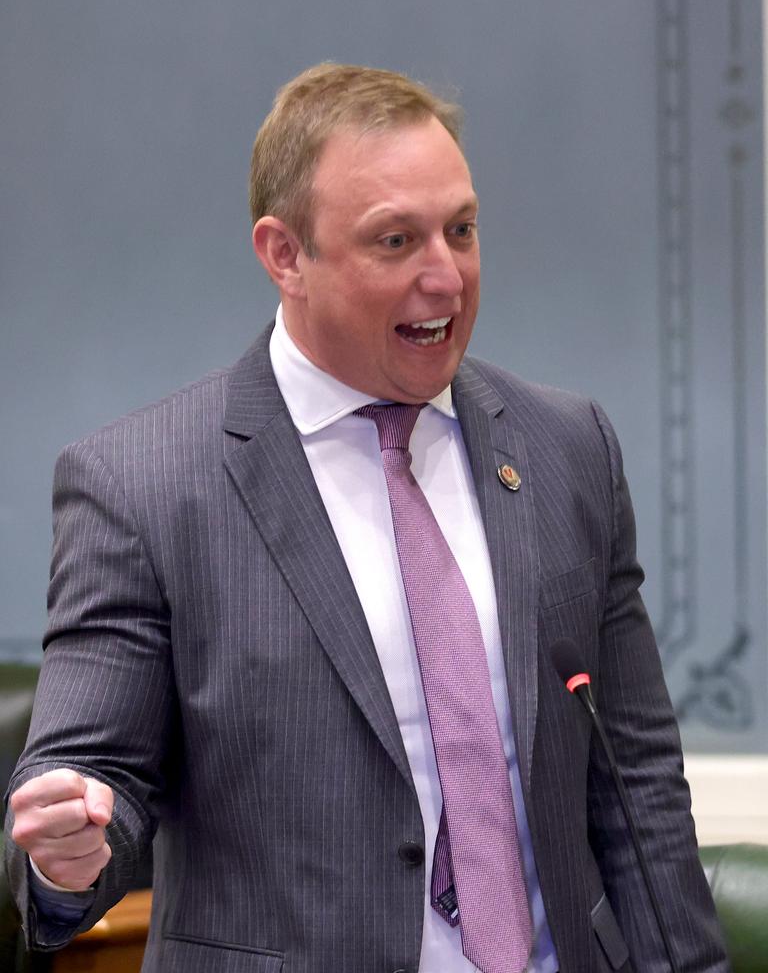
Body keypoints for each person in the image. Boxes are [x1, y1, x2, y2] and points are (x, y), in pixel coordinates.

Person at [5, 63, 729, 973]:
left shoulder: (567, 447)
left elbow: (639, 789)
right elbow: (89, 780)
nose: (446, 277)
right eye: (395, 241)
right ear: (285, 254)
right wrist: (70, 853)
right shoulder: (143, 485)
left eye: (460, 231)